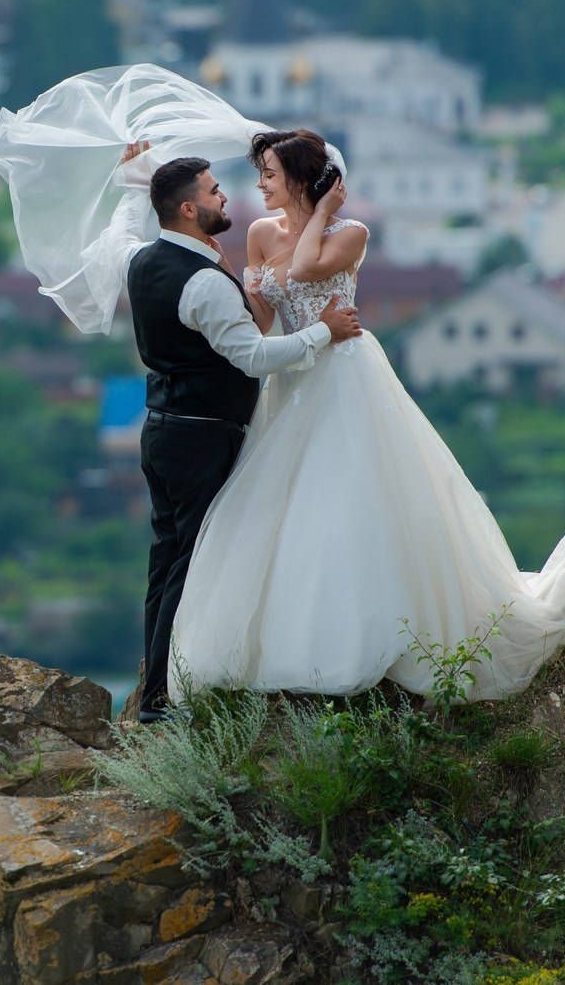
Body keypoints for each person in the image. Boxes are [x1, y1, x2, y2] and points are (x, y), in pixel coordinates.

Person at [0, 64, 565, 709]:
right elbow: (258, 327)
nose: (251, 187)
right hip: (288, 375)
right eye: (235, 182)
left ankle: (348, 637)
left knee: (345, 499)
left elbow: (310, 267)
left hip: (343, 370)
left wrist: (319, 217)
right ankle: (219, 665)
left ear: (298, 179)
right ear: (191, 208)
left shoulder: (350, 233)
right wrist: (252, 289)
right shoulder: (253, 239)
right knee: (269, 516)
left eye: (267, 175)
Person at [119, 152, 363, 720]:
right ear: (188, 210)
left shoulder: (143, 260)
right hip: (202, 437)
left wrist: (136, 183)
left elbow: (127, 236)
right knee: (193, 560)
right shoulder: (204, 282)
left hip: (163, 430)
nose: (226, 195)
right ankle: (162, 697)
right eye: (212, 190)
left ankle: (160, 685)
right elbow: (253, 356)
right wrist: (323, 333)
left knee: (168, 561)